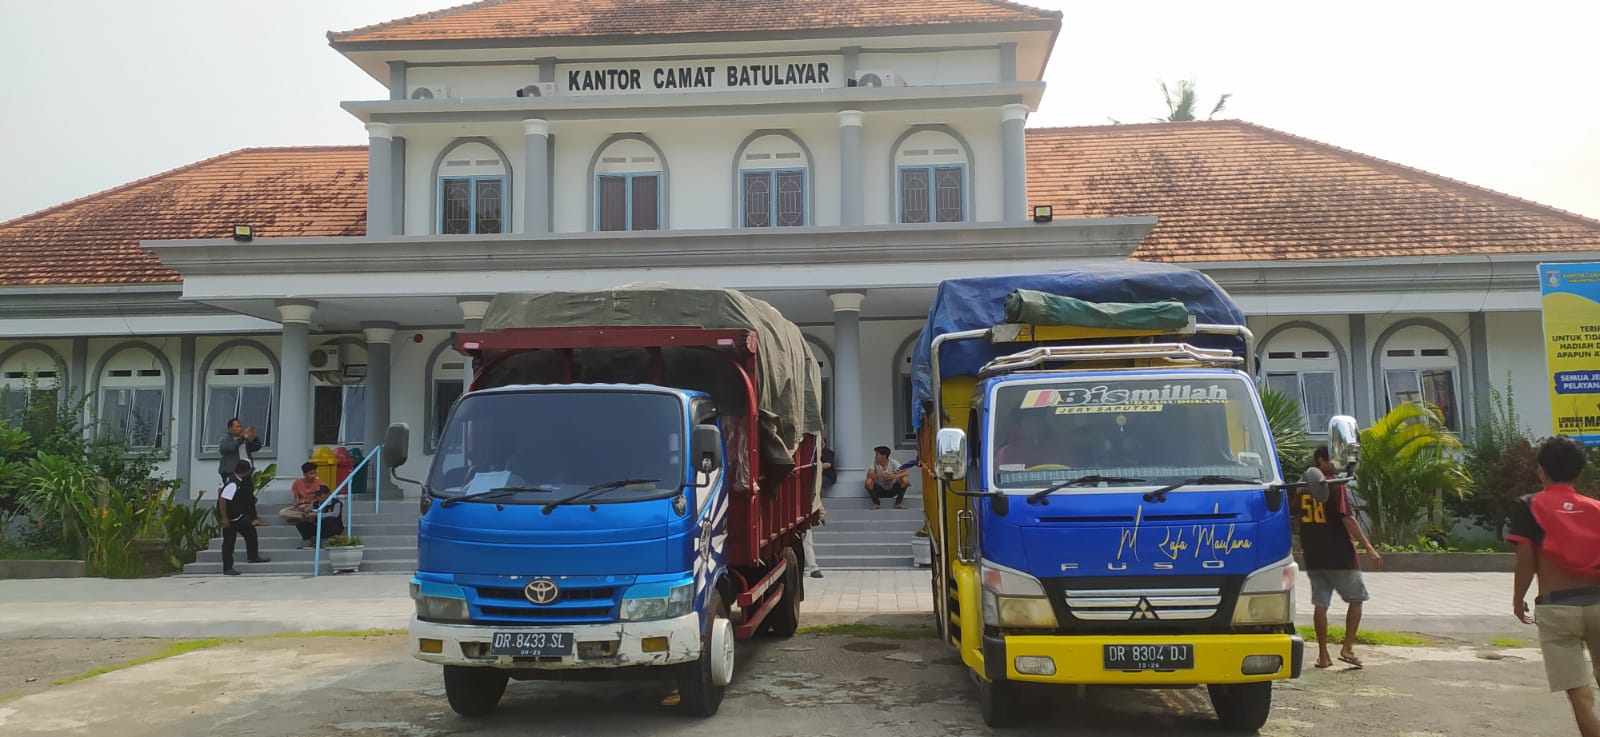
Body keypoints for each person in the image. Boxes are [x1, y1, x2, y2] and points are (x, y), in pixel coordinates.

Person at [1508, 435, 1600, 737]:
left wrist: (1518, 598)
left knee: (1579, 693)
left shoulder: (1527, 506)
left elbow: (1525, 560)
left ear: (1541, 470)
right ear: (1579, 473)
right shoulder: (1596, 509)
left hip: (1556, 607)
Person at [1300, 445, 1382, 669]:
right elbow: (1347, 518)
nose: (1336, 466)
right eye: (1331, 461)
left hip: (1314, 557)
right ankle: (1347, 648)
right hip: (1340, 556)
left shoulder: (1301, 489)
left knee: (1320, 605)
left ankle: (1323, 655)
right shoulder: (1334, 486)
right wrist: (1368, 547)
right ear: (1320, 461)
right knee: (1357, 599)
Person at [217, 460, 270, 575]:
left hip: (238, 516)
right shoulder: (233, 483)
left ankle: (253, 556)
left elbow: (220, 490)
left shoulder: (235, 480)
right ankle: (227, 568)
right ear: (246, 472)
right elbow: (222, 499)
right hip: (231, 518)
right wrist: (224, 518)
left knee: (250, 531)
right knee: (229, 542)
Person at [803, 438, 835, 579]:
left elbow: (814, 494)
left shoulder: (819, 460)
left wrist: (820, 512)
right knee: (806, 539)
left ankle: (812, 567)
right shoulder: (808, 462)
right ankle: (811, 567)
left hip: (805, 508)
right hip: (800, 507)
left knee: (807, 538)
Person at [280, 462, 329, 546]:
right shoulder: (297, 483)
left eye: (314, 473)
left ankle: (304, 517)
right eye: (311, 473)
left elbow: (324, 498)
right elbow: (296, 497)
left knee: (311, 508)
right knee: (283, 512)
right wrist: (296, 504)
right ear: (305, 474)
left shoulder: (320, 483)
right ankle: (304, 517)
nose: (313, 475)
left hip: (312, 505)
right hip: (301, 507)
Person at [217, 417, 262, 484]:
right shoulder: (225, 439)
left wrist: (254, 437)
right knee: (232, 491)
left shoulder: (244, 439)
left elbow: (256, 447)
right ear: (230, 428)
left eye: (241, 426)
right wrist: (242, 438)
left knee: (245, 492)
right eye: (237, 427)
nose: (240, 428)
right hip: (231, 472)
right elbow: (231, 447)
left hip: (246, 472)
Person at [865, 445, 910, 510]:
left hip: (893, 490)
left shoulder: (893, 462)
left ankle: (898, 503)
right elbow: (869, 474)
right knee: (868, 481)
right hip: (879, 491)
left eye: (877, 455)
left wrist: (894, 476)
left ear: (884, 456)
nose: (875, 457)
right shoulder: (874, 463)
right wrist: (880, 476)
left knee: (905, 479)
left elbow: (906, 472)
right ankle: (876, 503)